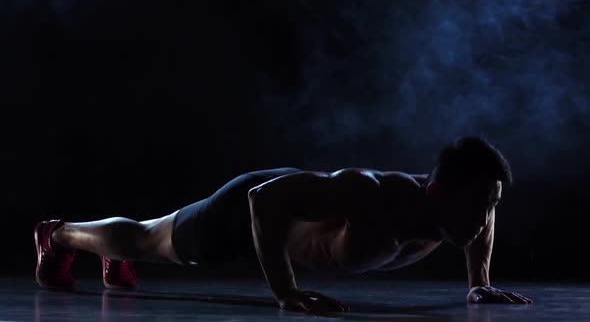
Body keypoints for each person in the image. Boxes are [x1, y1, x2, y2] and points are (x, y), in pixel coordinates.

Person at [34, 136, 532, 313]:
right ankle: (57, 234)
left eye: (492, 205)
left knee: (144, 242)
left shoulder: (461, 212)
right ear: (437, 193)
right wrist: (285, 294)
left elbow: (483, 222)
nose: (484, 219)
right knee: (149, 240)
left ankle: (103, 250)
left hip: (292, 217)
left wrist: (480, 283)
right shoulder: (371, 193)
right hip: (248, 210)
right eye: (478, 206)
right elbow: (262, 200)